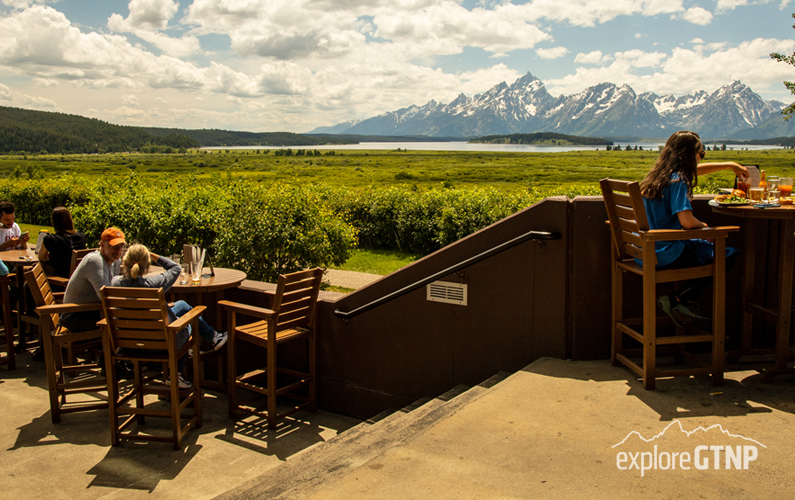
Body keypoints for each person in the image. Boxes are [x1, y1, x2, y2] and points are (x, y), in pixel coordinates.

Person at [639, 130, 748, 326]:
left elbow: (697, 170)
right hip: (665, 253)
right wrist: (704, 227)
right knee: (727, 255)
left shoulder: (657, 176)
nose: (701, 158)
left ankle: (685, 303)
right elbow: (687, 222)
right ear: (689, 155)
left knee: (703, 249)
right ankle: (677, 298)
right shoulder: (679, 179)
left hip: (643, 252)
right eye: (701, 154)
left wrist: (731, 165)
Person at [111, 243, 227, 389]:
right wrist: (151, 254)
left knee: (182, 305)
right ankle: (176, 374)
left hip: (130, 345)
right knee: (187, 322)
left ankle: (214, 336)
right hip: (161, 344)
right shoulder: (152, 284)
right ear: (146, 265)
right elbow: (176, 268)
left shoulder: (114, 283)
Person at [59, 227, 126, 333]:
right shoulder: (95, 260)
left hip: (94, 309)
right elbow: (105, 296)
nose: (119, 251)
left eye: (121, 247)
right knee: (126, 320)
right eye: (114, 246)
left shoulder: (116, 261)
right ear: (102, 245)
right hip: (75, 315)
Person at [38, 206, 87, 279]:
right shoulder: (81, 237)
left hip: (59, 281)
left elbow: (41, 257)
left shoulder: (51, 239)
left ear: (53, 222)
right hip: (78, 279)